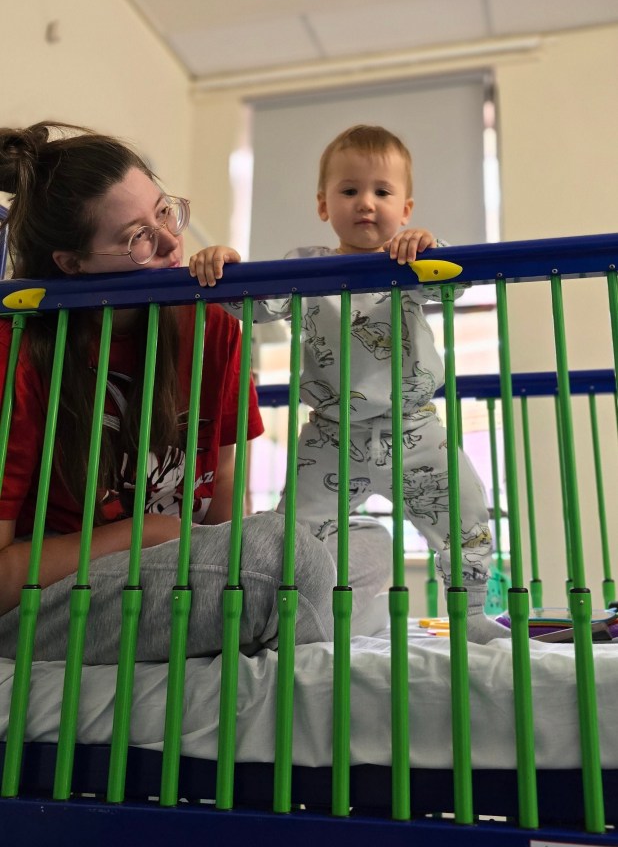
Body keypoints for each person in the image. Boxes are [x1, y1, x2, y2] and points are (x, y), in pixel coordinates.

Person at [0, 121, 391, 664]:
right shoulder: (16, 347)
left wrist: (218, 555)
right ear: (72, 264)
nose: (170, 242)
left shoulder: (214, 323)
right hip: (51, 602)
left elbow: (225, 484)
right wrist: (146, 533)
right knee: (287, 556)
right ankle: (286, 642)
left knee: (365, 543)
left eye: (164, 212)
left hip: (180, 572)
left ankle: (260, 622)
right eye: (136, 236)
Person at [190, 124, 509, 644]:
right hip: (331, 434)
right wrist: (225, 269)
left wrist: (431, 245)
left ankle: (469, 611)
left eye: (382, 192)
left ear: (405, 209)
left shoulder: (411, 264)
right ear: (323, 205)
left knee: (464, 514)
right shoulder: (305, 268)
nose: (366, 203)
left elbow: (463, 279)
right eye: (349, 191)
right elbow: (251, 306)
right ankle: (285, 619)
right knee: (293, 535)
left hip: (415, 428)